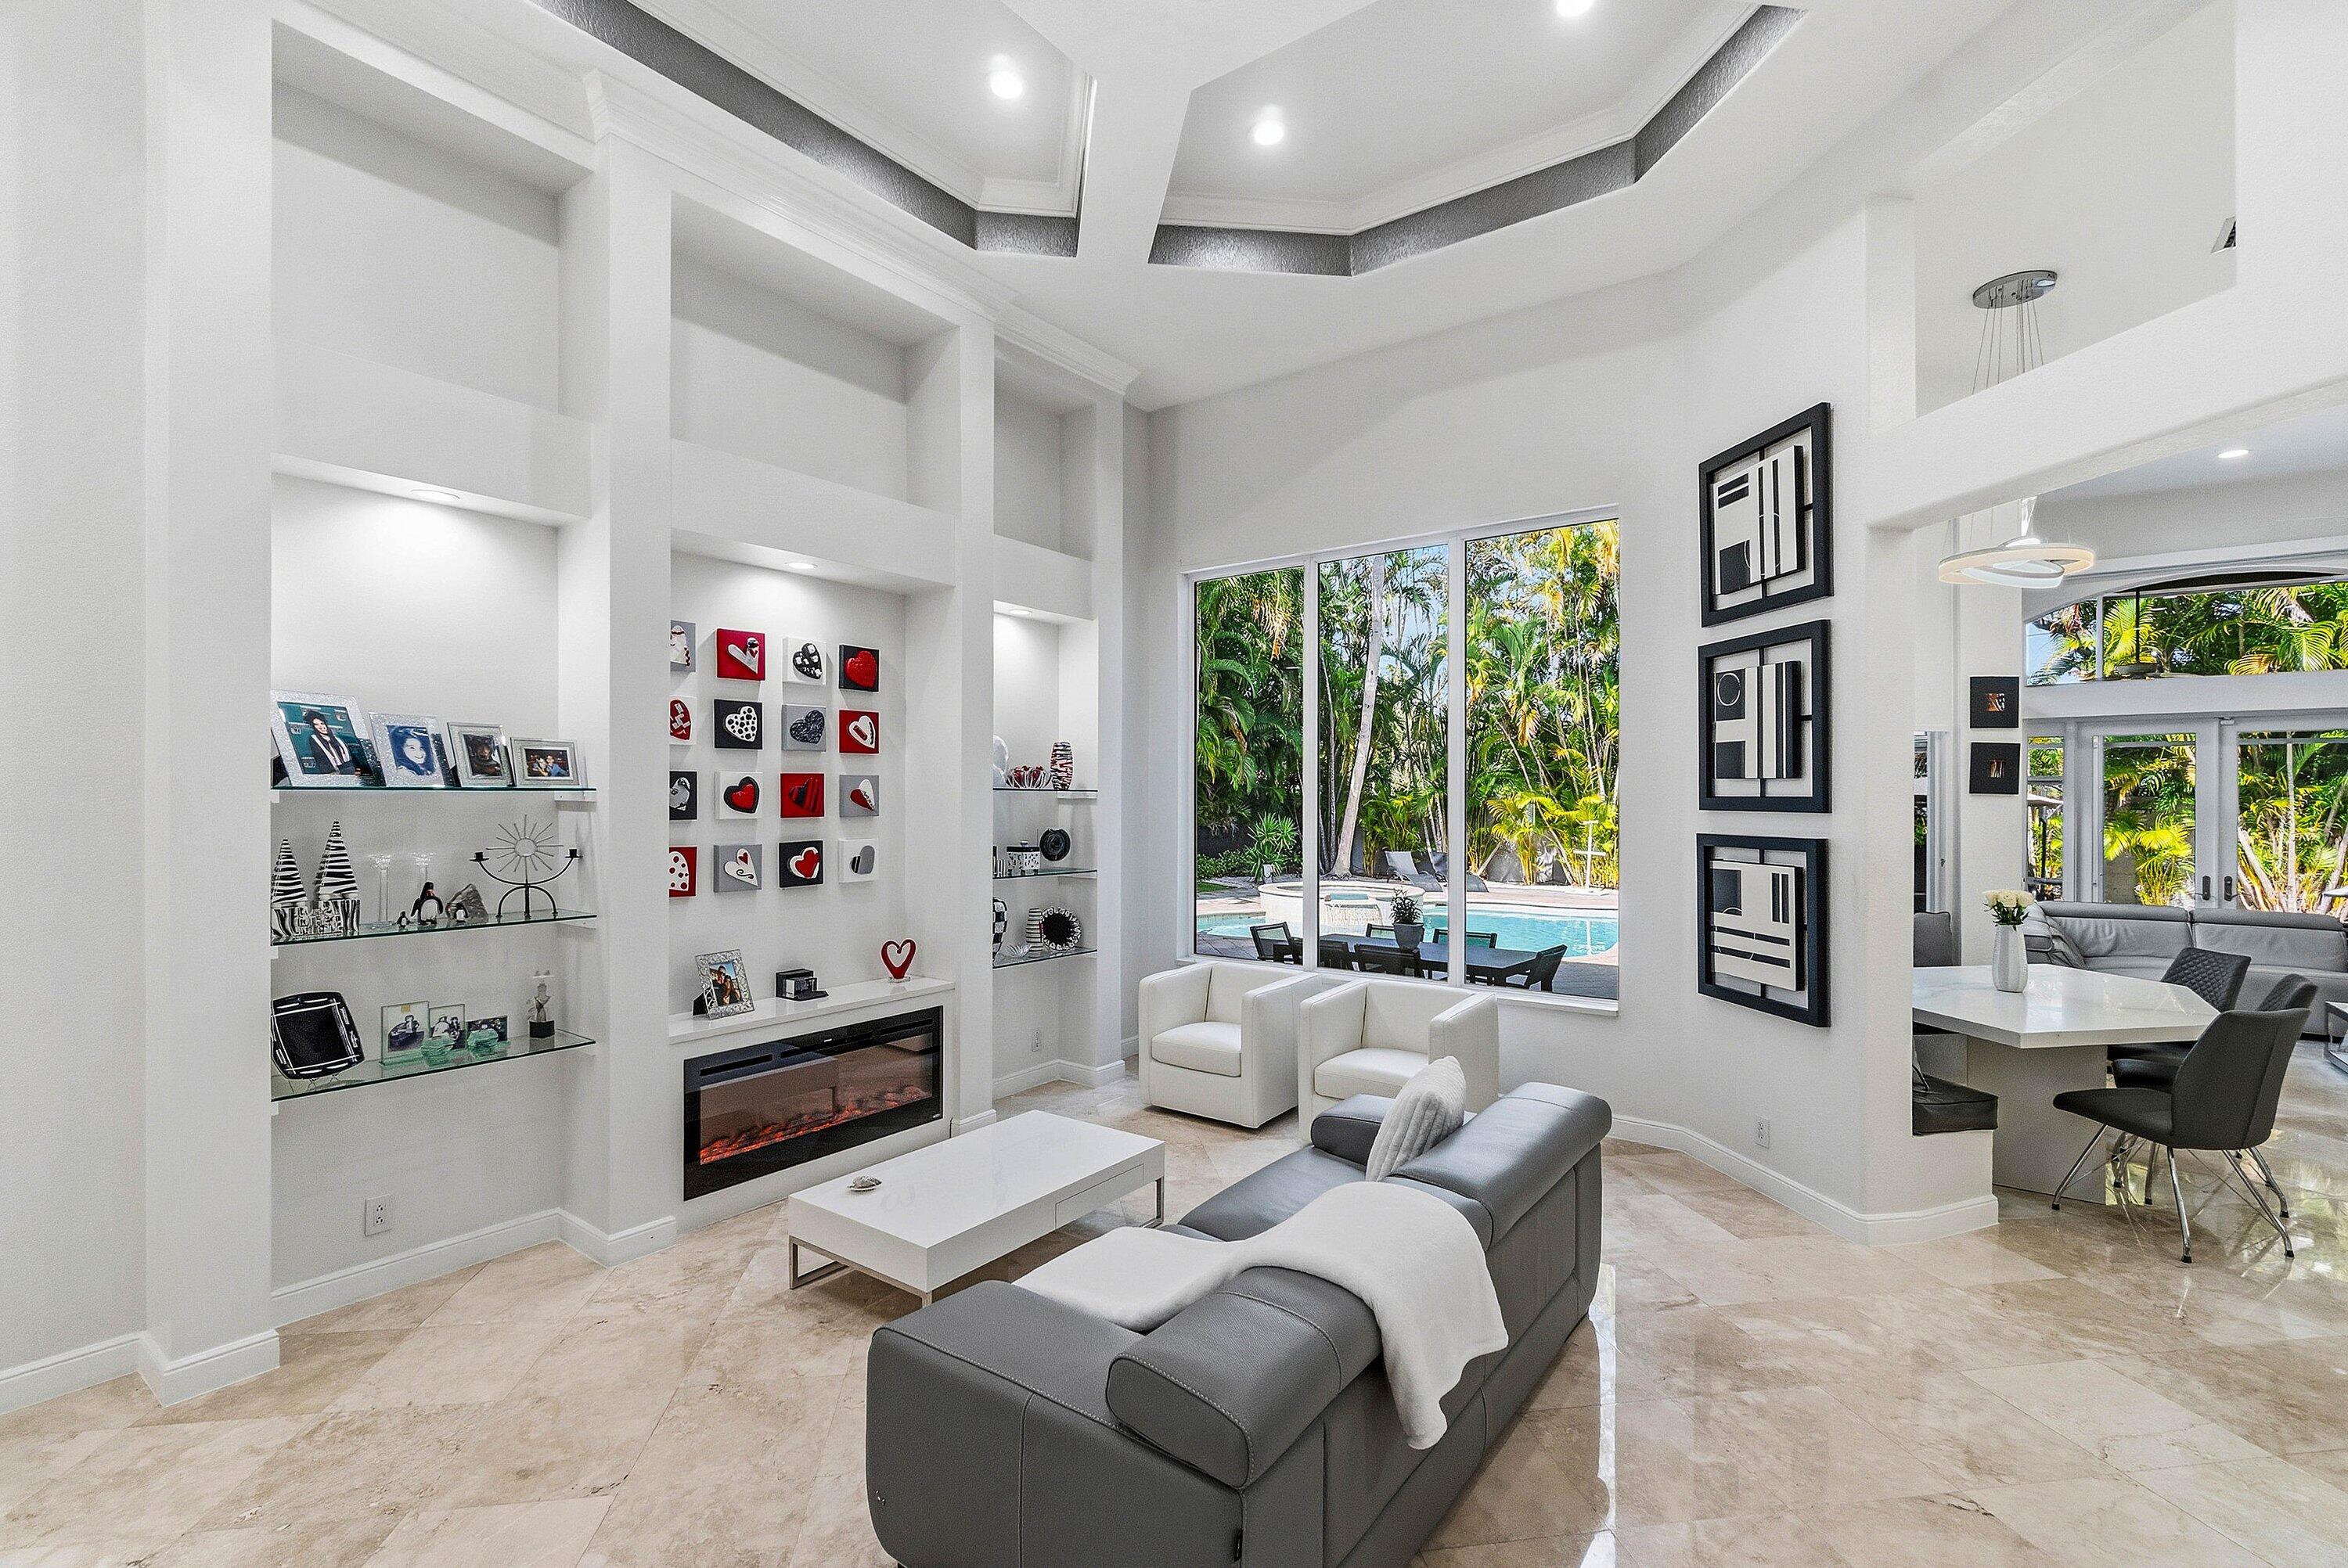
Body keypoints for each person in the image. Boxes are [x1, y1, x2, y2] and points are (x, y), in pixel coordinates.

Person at [301, 709, 355, 775]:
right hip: (334, 774)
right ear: (313, 727)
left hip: (348, 769)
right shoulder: (314, 739)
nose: (321, 727)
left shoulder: (338, 739)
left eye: (322, 723)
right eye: (316, 725)